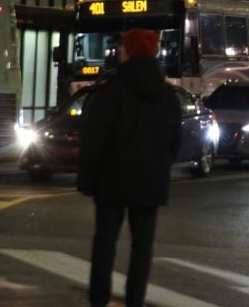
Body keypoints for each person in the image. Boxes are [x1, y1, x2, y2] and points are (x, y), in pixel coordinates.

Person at [77, 28, 182, 307]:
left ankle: (99, 300)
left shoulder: (111, 91)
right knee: (142, 247)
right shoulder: (168, 95)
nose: (120, 51)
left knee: (105, 244)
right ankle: (135, 300)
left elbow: (94, 140)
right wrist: (159, 166)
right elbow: (175, 141)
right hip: (150, 181)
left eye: (123, 47)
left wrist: (87, 180)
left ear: (129, 51)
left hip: (112, 179)